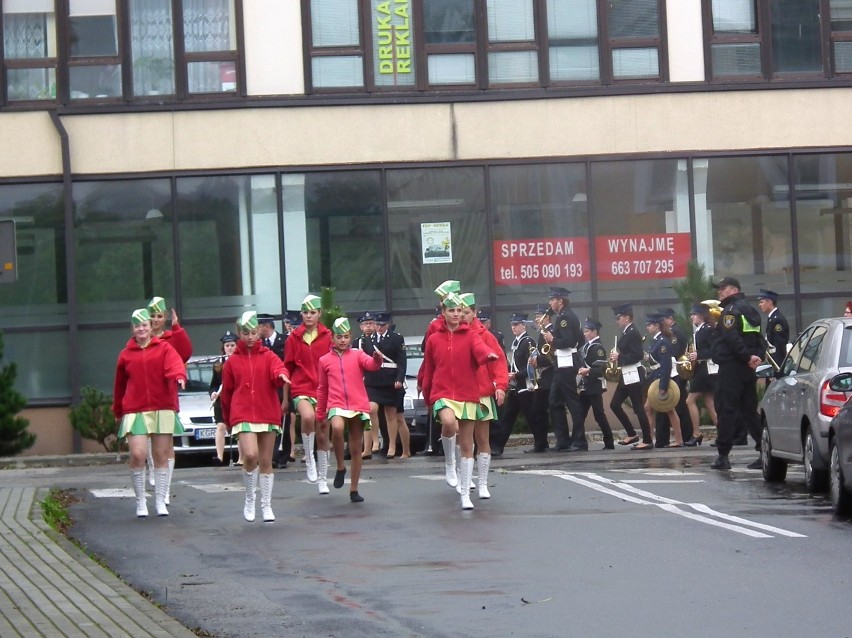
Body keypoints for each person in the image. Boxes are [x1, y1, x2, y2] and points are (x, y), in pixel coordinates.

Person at [420, 292, 499, 509]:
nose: (456, 314)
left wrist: (487, 355)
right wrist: (427, 395)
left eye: (458, 311)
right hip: (442, 392)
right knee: (448, 422)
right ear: (443, 313)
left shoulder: (472, 335)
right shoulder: (434, 339)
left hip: (468, 394)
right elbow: (429, 368)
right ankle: (448, 463)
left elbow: (480, 349)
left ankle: (465, 494)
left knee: (467, 445)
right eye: (451, 310)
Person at [113, 308, 186, 518]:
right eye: (137, 326)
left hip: (161, 407)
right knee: (138, 454)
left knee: (161, 455)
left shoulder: (164, 348)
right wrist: (117, 409)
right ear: (133, 328)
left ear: (150, 327)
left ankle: (160, 500)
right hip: (135, 410)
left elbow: (174, 365)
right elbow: (119, 385)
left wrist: (179, 376)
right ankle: (140, 501)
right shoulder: (125, 355)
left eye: (144, 325)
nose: (141, 329)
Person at [219, 311, 290, 522]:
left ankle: (266, 505)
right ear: (239, 333)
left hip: (267, 412)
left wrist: (281, 375)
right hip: (242, 414)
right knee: (250, 455)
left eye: (253, 332)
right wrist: (228, 418)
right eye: (245, 333)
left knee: (266, 460)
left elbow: (279, 368)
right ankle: (250, 497)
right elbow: (227, 394)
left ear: (258, 332)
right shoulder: (231, 362)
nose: (250, 337)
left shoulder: (268, 355)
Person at [316, 317, 384, 502]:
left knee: (356, 447)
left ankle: (354, 489)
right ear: (332, 338)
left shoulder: (357, 354)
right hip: (336, 403)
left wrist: (377, 359)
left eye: (346, 337)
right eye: (339, 337)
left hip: (357, 404)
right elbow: (322, 388)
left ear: (351, 337)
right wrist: (320, 414)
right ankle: (340, 466)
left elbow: (372, 365)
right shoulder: (324, 360)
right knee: (337, 428)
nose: (343, 340)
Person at [709, 277, 764, 470]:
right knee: (749, 411)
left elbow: (732, 338)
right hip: (747, 368)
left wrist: (747, 357)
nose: (719, 292)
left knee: (726, 410)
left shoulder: (730, 311)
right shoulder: (751, 310)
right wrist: (756, 357)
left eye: (723, 289)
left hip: (732, 367)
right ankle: (764, 451)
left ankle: (723, 456)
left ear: (733, 290)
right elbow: (758, 338)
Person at [459, 293, 508, 499]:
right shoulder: (453, 333)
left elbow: (498, 361)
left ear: (475, 313)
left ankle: (483, 483)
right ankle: (465, 480)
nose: (462, 316)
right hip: (460, 393)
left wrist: (500, 385)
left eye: (467, 312)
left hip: (482, 393)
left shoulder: (485, 335)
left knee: (482, 439)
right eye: (459, 312)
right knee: (464, 440)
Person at [145, 296, 193, 503]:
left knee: (166, 443)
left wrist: (177, 327)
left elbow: (185, 353)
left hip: (166, 395)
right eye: (152, 316)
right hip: (145, 395)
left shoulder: (170, 337)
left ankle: (164, 488)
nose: (156, 320)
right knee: (146, 434)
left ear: (164, 317)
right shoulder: (142, 337)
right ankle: (152, 467)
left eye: (159, 316)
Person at [282, 294, 333, 491]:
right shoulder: (293, 339)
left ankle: (322, 478)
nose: (309, 316)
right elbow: (287, 369)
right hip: (301, 387)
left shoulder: (328, 336)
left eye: (313, 312)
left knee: (322, 433)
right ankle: (309, 457)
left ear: (319, 313)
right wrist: (286, 398)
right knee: (307, 416)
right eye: (305, 312)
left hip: (323, 389)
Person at [543, 287, 584, 452]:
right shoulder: (564, 315)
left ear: (560, 300)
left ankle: (580, 441)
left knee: (572, 401)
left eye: (553, 299)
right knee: (555, 401)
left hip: (566, 363)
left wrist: (552, 339)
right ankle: (563, 440)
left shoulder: (565, 317)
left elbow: (568, 340)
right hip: (562, 362)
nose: (550, 302)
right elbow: (580, 340)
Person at [366, 312, 410, 459]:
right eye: (377, 325)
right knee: (371, 409)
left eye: (382, 325)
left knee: (391, 414)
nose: (379, 327)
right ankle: (375, 442)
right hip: (373, 379)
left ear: (388, 324)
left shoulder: (397, 338)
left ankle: (392, 445)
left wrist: (399, 378)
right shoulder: (368, 339)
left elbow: (402, 361)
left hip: (390, 380)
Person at [609, 304, 653, 449]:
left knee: (638, 407)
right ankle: (631, 433)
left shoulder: (633, 332)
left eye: (619, 317)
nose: (617, 321)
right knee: (615, 404)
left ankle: (647, 440)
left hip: (634, 373)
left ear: (627, 317)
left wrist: (619, 356)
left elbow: (637, 354)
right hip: (627, 373)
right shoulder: (627, 332)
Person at [492, 313, 536, 457]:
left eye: (516, 324)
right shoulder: (517, 341)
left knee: (531, 416)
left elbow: (531, 366)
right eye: (512, 324)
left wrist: (517, 375)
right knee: (508, 417)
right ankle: (498, 447)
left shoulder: (528, 341)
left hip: (525, 385)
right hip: (516, 386)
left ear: (524, 325)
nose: (513, 327)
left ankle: (541, 443)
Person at [643, 313, 682, 448]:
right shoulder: (656, 340)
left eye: (649, 325)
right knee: (649, 408)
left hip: (661, 378)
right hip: (655, 376)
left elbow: (666, 365)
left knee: (668, 409)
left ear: (656, 326)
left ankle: (677, 439)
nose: (647, 328)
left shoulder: (663, 341)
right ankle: (649, 439)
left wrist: (663, 386)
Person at [654, 308, 691, 447]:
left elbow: (673, 353)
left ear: (669, 319)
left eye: (662, 320)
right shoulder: (670, 332)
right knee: (669, 407)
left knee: (679, 406)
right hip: (674, 371)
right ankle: (664, 438)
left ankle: (685, 436)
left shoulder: (675, 333)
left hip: (677, 371)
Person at [257, 313, 290, 469]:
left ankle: (282, 457)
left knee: (284, 421)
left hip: (282, 386)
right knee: (268, 423)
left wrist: (286, 397)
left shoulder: (285, 341)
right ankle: (271, 456)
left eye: (258, 326)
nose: (256, 330)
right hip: (265, 389)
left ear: (267, 326)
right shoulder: (259, 344)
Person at [576, 318, 615, 450]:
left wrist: (589, 370)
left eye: (587, 331)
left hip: (594, 386)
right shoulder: (586, 346)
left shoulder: (598, 347)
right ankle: (578, 441)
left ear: (594, 331)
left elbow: (602, 369)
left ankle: (609, 441)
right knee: (579, 414)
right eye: (584, 331)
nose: (585, 334)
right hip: (585, 386)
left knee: (599, 415)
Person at [684, 303, 717, 446]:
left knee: (690, 401)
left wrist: (698, 355)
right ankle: (723, 433)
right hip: (702, 369)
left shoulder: (707, 330)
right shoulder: (699, 330)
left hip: (704, 370)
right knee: (710, 403)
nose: (692, 317)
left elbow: (714, 350)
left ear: (702, 316)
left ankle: (696, 433)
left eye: (694, 314)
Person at [525, 304, 554, 453]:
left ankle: (547, 443)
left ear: (546, 317)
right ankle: (541, 443)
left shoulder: (551, 331)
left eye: (538, 316)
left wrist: (539, 361)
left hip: (550, 374)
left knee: (550, 409)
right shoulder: (542, 332)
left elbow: (553, 355)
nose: (536, 319)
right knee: (539, 410)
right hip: (542, 376)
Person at [210, 331, 239, 466]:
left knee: (237, 427)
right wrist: (213, 393)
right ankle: (219, 456)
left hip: (236, 399)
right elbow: (213, 385)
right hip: (221, 401)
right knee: (221, 426)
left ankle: (241, 458)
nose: (230, 348)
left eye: (232, 345)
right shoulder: (218, 364)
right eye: (227, 345)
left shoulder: (240, 361)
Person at [353, 311, 380, 457]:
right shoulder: (356, 342)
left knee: (371, 410)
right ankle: (365, 445)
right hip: (359, 381)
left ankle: (375, 442)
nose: (368, 327)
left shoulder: (377, 341)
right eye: (365, 324)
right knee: (362, 414)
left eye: (371, 323)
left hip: (375, 380)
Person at [757, 289, 789, 369]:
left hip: (777, 362)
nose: (759, 305)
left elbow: (779, 345)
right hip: (772, 360)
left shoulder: (777, 319)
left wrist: (777, 367)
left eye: (762, 302)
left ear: (770, 302)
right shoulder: (772, 318)